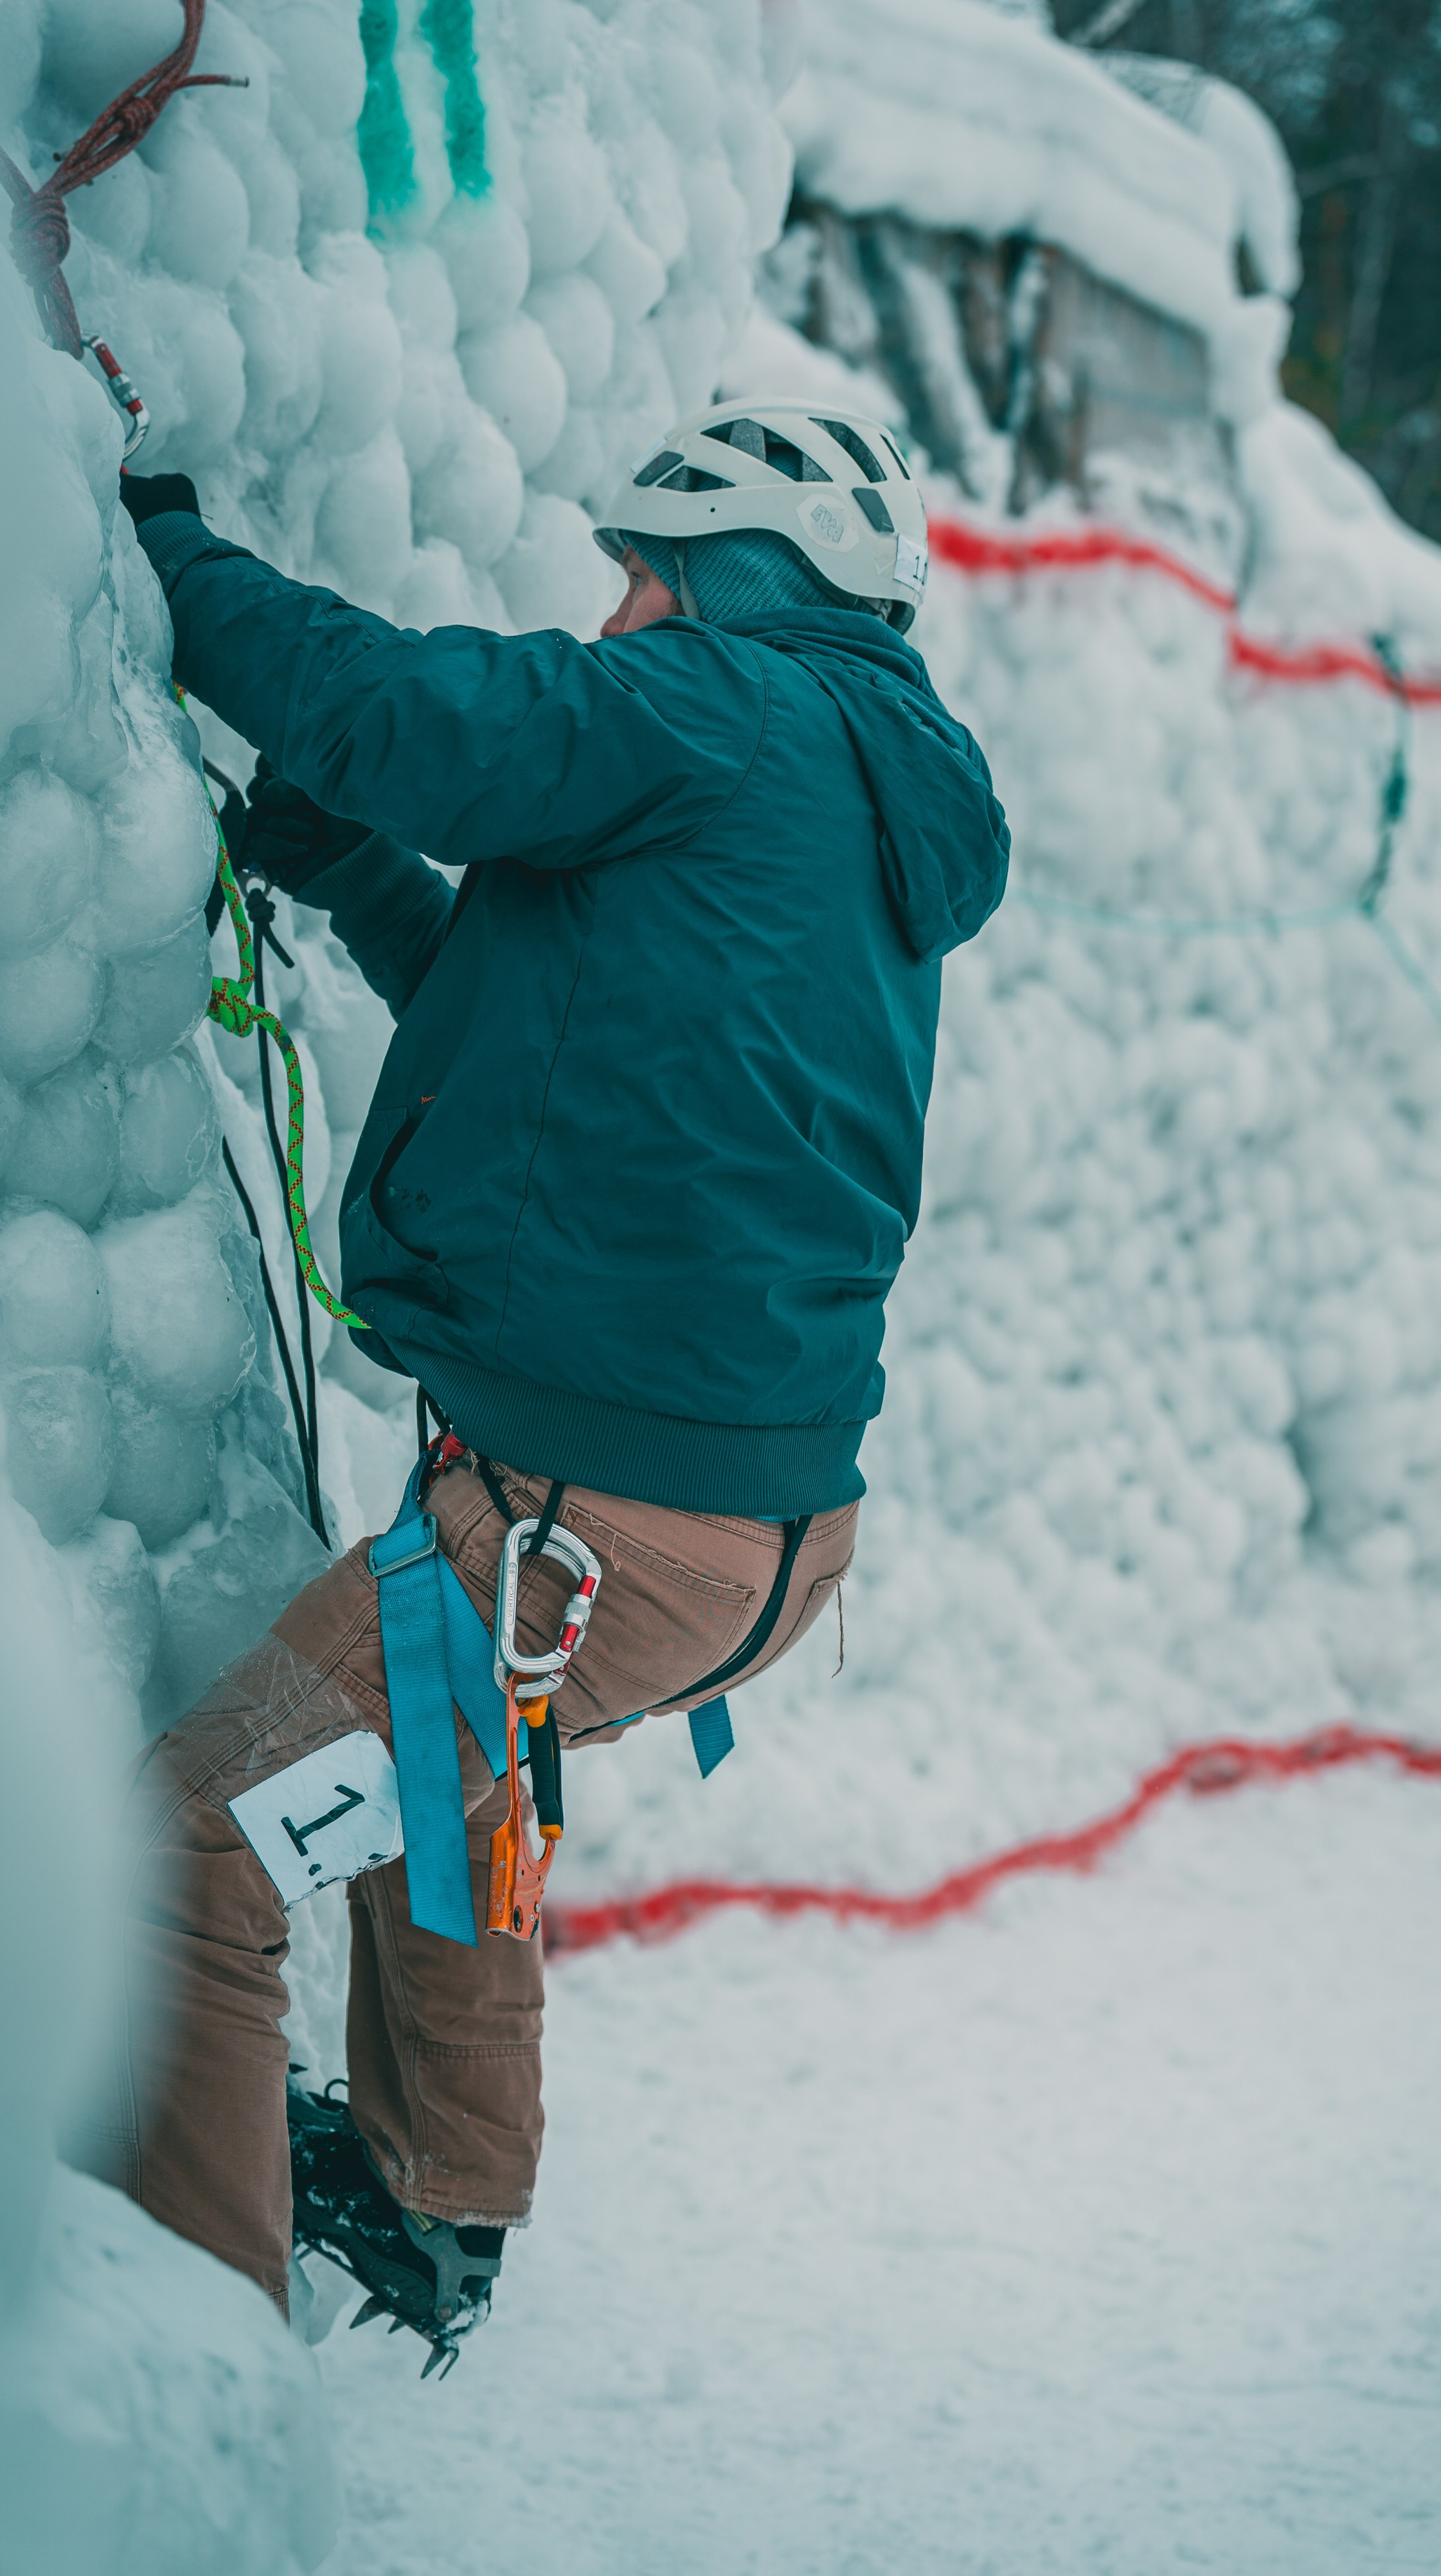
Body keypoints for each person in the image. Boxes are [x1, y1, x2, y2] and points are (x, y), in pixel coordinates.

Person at [94, 403, 1007, 2363]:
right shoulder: (848, 799)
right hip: (740, 1544)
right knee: (443, 1773)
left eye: (641, 579)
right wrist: (348, 873)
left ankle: (181, 2409)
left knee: (183, 1859)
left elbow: (405, 713)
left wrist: (154, 540)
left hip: (577, 1534)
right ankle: (439, 2201)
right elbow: (583, 1056)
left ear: (735, 582)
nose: (612, 620)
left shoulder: (723, 715)